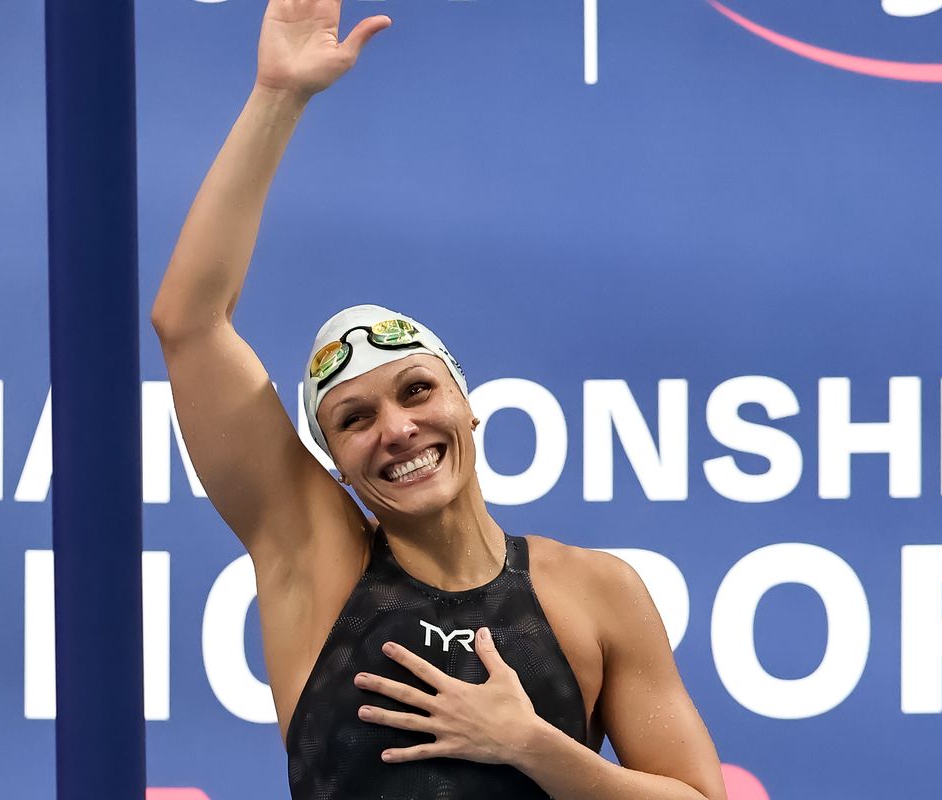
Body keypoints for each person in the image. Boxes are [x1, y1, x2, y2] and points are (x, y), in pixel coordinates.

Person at [151, 1, 726, 797]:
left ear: (467, 405)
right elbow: (189, 324)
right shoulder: (314, 566)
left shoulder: (595, 593)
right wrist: (278, 97)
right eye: (355, 419)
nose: (397, 429)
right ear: (336, 463)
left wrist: (531, 745)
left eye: (417, 390)